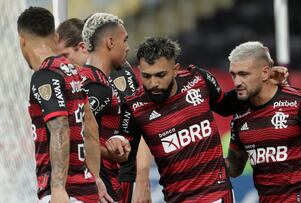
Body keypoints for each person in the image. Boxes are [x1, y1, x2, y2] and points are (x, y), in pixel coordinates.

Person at [107, 36, 236, 202]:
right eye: (146, 76)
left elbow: (226, 107)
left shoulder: (198, 79)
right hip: (176, 198)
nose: (153, 83)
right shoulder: (134, 107)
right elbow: (126, 152)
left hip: (216, 194)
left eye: (161, 75)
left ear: (175, 69)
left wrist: (261, 85)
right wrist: (116, 142)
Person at [56, 16, 152, 203]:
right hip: (97, 182)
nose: (127, 47)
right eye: (124, 40)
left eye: (65, 56)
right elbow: (71, 134)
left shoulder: (114, 78)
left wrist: (140, 174)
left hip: (114, 177)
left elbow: (138, 125)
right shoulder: (96, 86)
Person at [17, 7, 105, 203]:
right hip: (86, 188)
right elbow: (90, 127)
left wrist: (57, 189)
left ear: (22, 40)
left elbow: (59, 128)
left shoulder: (45, 76)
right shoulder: (72, 70)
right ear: (55, 36)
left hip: (65, 192)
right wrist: (95, 177)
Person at [225, 41, 301, 203]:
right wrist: (204, 159)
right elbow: (234, 169)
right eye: (233, 74)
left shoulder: (298, 101)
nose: (236, 82)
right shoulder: (239, 116)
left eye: (244, 74)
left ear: (265, 73)